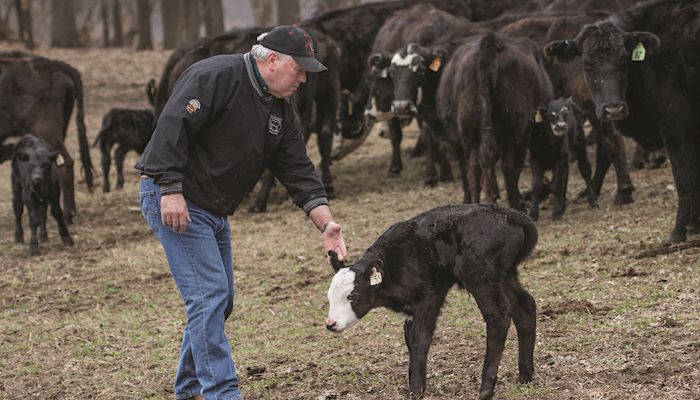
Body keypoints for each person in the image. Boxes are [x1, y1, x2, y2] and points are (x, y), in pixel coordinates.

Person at [135, 25, 347, 400]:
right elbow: (171, 128)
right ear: (272, 60)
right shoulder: (214, 76)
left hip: (211, 207)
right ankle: (221, 391)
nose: (303, 78)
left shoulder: (279, 109)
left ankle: (189, 388)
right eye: (299, 69)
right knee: (209, 296)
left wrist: (325, 223)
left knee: (219, 298)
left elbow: (298, 169)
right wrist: (169, 190)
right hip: (177, 198)